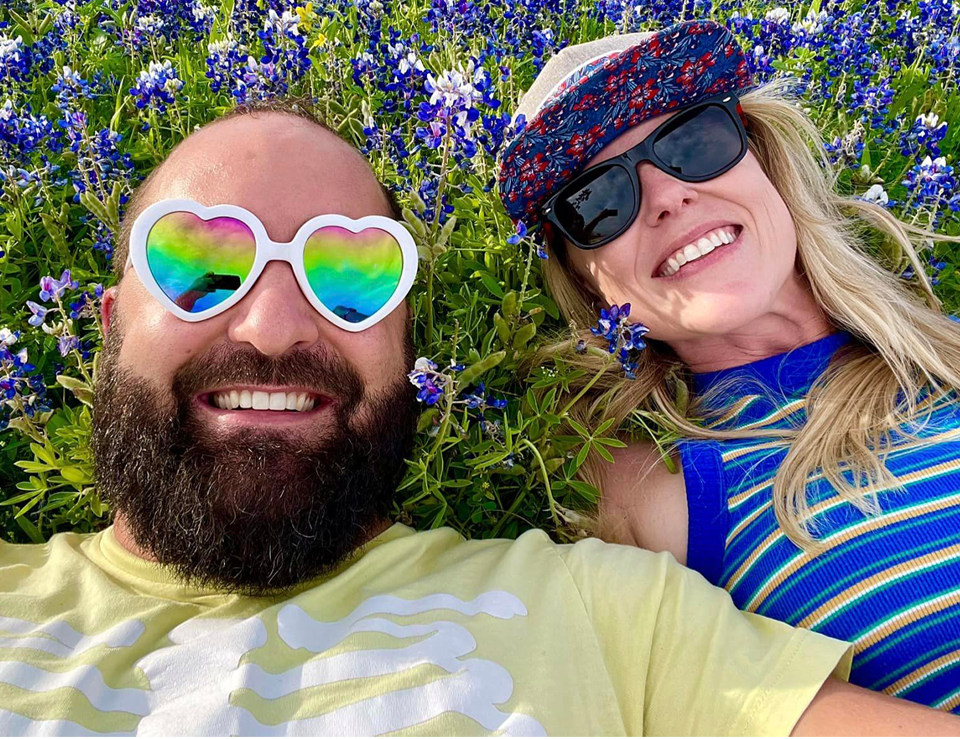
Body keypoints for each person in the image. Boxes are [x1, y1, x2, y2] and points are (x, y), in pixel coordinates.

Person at [0, 102, 954, 739]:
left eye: (352, 273)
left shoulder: (603, 611)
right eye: (197, 260)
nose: (271, 319)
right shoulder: (647, 488)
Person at [497, 18, 960, 713]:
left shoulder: (943, 347)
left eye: (693, 140)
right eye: (598, 200)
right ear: (589, 283)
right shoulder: (667, 489)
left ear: (764, 159)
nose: (666, 196)